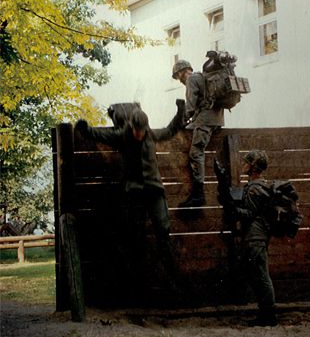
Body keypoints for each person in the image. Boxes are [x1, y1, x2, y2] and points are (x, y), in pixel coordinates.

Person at [75, 100, 185, 289]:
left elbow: (171, 129)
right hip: (134, 193)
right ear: (131, 126)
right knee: (134, 235)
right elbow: (102, 135)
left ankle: (175, 280)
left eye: (141, 131)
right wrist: (85, 129)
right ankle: (136, 283)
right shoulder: (123, 136)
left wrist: (180, 110)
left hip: (154, 191)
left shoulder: (150, 135)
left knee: (163, 231)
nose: (139, 134)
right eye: (136, 130)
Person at [217, 150, 277, 326]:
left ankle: (269, 316)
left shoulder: (254, 189)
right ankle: (265, 314)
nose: (243, 164)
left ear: (253, 167)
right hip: (255, 236)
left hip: (255, 237)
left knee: (261, 275)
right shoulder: (258, 186)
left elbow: (249, 214)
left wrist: (234, 211)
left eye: (247, 162)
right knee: (256, 275)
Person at [172, 59, 224, 207]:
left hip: (206, 121)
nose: (179, 80)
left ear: (182, 72)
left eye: (177, 76)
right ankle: (197, 193)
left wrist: (182, 120)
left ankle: (199, 194)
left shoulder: (191, 79)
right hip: (216, 120)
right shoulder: (202, 77)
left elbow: (190, 106)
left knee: (196, 153)